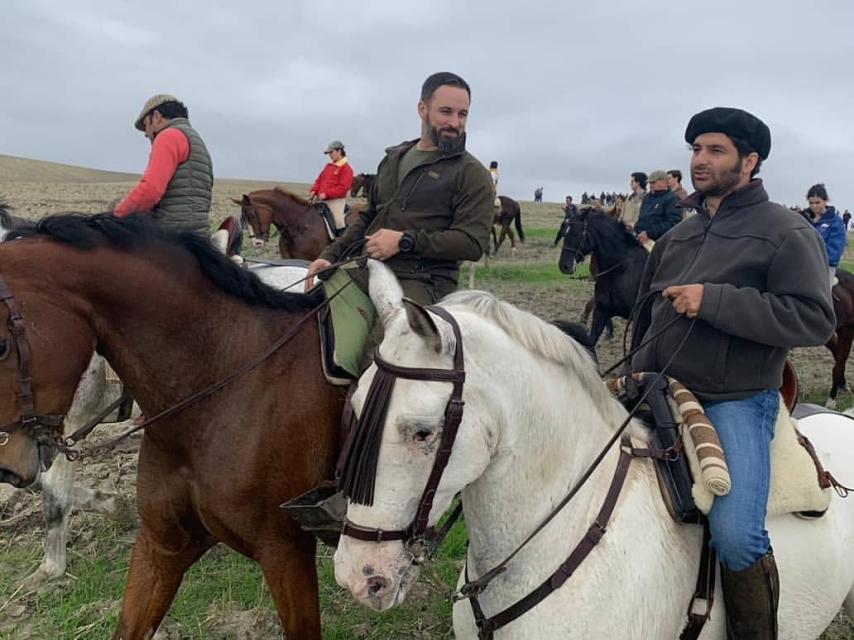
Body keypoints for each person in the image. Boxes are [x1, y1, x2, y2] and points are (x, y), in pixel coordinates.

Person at [632, 107, 835, 638]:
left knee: (737, 534)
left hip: (737, 398)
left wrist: (715, 300)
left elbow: (814, 319)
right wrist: (631, 373)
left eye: (716, 150)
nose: (701, 160)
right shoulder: (681, 234)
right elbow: (647, 315)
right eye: (697, 149)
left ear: (750, 160)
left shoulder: (788, 232)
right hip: (656, 387)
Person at [305, 72, 494, 305]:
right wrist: (330, 256)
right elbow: (368, 218)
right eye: (446, 112)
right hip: (372, 271)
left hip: (424, 282)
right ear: (422, 109)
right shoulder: (393, 159)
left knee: (395, 339)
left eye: (462, 114)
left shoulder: (471, 173)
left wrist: (405, 241)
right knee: (310, 312)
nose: (455, 122)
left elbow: (473, 243)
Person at [114, 94, 213, 235]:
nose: (146, 133)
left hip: (171, 236)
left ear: (156, 116)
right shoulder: (196, 141)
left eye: (145, 125)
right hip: (197, 236)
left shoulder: (169, 136)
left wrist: (115, 217)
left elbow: (150, 191)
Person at [309, 140, 355, 235]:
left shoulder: (347, 169)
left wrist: (327, 194)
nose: (330, 155)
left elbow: (343, 188)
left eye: (331, 152)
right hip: (321, 199)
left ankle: (340, 243)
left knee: (338, 221)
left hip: (336, 201)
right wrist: (314, 190)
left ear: (339, 151)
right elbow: (319, 180)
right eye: (329, 153)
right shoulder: (328, 166)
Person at [805, 183, 846, 288]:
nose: (814, 206)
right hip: (803, 263)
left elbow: (835, 249)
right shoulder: (803, 218)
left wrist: (813, 258)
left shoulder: (836, 222)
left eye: (817, 202)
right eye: (811, 203)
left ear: (825, 201)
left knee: (822, 293)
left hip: (825, 266)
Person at [635, 170, 682, 247]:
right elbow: (642, 217)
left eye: (653, 183)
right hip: (641, 239)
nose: (650, 185)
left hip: (660, 244)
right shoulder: (647, 198)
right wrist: (637, 229)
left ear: (664, 182)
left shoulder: (673, 199)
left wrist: (649, 234)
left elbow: (673, 222)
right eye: (649, 183)